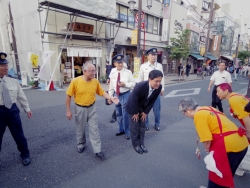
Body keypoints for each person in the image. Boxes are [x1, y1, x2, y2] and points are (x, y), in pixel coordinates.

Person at [178, 97, 248, 188]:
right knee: (227, 174)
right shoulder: (210, 108)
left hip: (228, 147)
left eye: (184, 113)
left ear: (189, 110)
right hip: (241, 143)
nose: (185, 115)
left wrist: (208, 152)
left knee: (217, 176)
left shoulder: (199, 115)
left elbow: (207, 140)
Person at [66, 62, 117, 158]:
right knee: (80, 129)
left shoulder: (95, 81)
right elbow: (68, 96)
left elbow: (101, 92)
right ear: (85, 71)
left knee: (94, 129)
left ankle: (97, 149)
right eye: (92, 71)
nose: (94, 73)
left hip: (92, 107)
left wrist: (110, 97)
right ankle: (81, 144)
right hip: (80, 108)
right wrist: (68, 110)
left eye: (95, 70)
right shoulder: (75, 81)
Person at [0, 52, 32, 166]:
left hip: (12, 110)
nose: (6, 67)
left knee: (19, 135)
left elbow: (21, 96)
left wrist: (27, 109)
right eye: (3, 65)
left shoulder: (12, 81)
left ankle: (25, 155)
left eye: (6, 64)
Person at [126, 70, 163, 154]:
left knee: (142, 126)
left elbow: (152, 101)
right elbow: (134, 100)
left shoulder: (159, 87)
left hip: (143, 107)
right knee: (135, 127)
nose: (158, 83)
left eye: (160, 81)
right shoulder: (139, 86)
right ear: (149, 79)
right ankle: (136, 145)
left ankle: (141, 144)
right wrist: (135, 112)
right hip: (133, 107)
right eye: (156, 81)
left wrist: (146, 112)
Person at [108, 54, 135, 140]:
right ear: (114, 63)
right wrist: (110, 96)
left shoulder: (128, 72)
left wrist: (125, 84)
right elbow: (111, 85)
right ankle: (121, 129)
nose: (120, 64)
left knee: (125, 114)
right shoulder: (113, 72)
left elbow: (133, 84)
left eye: (121, 62)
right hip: (117, 95)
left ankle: (127, 132)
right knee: (118, 113)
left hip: (125, 95)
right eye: (118, 62)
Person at [138, 48, 164, 131]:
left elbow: (162, 78)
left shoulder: (159, 65)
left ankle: (157, 124)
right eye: (152, 55)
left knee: (157, 110)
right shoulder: (143, 66)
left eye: (155, 55)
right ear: (147, 56)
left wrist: (162, 88)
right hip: (146, 91)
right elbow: (140, 78)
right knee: (145, 109)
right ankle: (146, 124)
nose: (154, 56)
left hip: (156, 90)